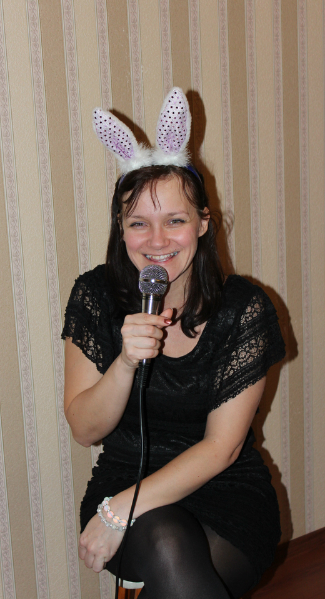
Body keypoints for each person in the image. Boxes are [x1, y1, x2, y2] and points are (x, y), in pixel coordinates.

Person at [62, 89, 285, 599]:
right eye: (138, 223)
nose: (157, 240)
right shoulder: (95, 295)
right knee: (168, 543)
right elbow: (84, 429)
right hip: (125, 476)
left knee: (177, 563)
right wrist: (124, 362)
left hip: (226, 491)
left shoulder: (244, 308)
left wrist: (118, 513)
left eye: (175, 221)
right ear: (121, 230)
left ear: (203, 223)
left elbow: (222, 447)